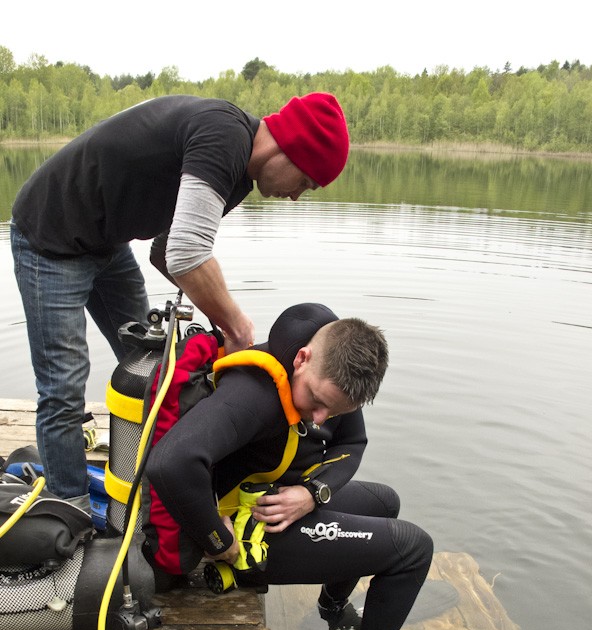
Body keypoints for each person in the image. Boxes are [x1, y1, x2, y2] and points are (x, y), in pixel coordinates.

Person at [10, 93, 349, 507]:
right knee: (63, 387)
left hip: (106, 241)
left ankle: (152, 489)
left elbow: (166, 250)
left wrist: (219, 323)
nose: (297, 195)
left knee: (157, 368)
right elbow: (187, 254)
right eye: (306, 181)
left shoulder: (241, 170)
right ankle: (70, 514)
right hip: (51, 235)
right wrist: (235, 326)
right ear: (291, 149)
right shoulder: (223, 137)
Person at [146, 302, 434, 630]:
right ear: (301, 358)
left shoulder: (330, 366)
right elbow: (169, 464)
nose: (320, 418)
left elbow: (352, 445)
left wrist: (313, 493)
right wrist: (216, 538)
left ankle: (331, 608)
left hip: (279, 496)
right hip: (248, 531)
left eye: (333, 411)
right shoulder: (253, 397)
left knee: (386, 502)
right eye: (316, 402)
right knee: (414, 549)